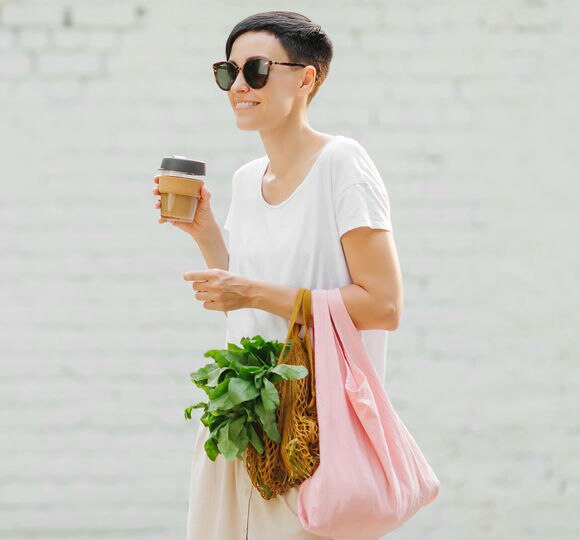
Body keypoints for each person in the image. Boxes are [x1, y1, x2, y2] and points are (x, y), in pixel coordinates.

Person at [153, 11, 402, 540]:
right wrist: (205, 234)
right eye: (229, 73)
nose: (239, 86)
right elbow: (247, 296)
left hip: (311, 428)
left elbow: (383, 305)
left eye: (257, 70)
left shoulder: (343, 164)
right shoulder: (247, 180)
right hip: (242, 418)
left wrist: (249, 291)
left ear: (306, 78)